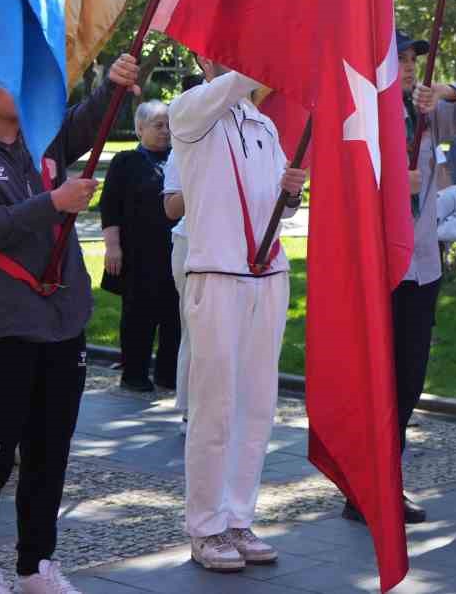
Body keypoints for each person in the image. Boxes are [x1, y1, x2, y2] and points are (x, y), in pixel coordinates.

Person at [0, 54, 141, 594]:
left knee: (50, 454)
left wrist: (111, 85)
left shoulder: (41, 140)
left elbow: (83, 125)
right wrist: (52, 203)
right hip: (2, 329)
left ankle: (36, 565)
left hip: (60, 323)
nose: (22, 91)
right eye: (8, 80)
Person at [168, 58, 306, 574]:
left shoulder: (265, 124)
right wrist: (274, 51)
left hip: (267, 274)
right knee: (215, 406)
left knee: (257, 405)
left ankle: (238, 516)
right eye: (223, 53)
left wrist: (291, 192)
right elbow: (233, 84)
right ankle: (205, 527)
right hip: (217, 272)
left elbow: (278, 205)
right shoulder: (191, 111)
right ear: (204, 59)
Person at [343, 30, 456, 527]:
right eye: (403, 59)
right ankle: (362, 486)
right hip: (381, 265)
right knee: (377, 377)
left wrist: (446, 92)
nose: (413, 66)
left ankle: (387, 477)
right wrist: (395, 179)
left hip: (422, 264)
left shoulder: (425, 112)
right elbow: (347, 184)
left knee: (410, 376)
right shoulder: (364, 115)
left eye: (416, 59)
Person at [100, 100, 180, 393]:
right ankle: (134, 373)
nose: (165, 131)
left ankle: (168, 374)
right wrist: (112, 247)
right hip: (137, 254)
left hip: (173, 252)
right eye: (158, 125)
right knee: (138, 315)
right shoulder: (125, 162)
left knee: (174, 315)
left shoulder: (178, 158)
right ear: (139, 128)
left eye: (168, 125)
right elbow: (109, 208)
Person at [162, 154, 189, 429]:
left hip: (243, 249)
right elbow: (171, 208)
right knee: (196, 334)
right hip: (193, 245)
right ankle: (191, 409)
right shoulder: (184, 146)